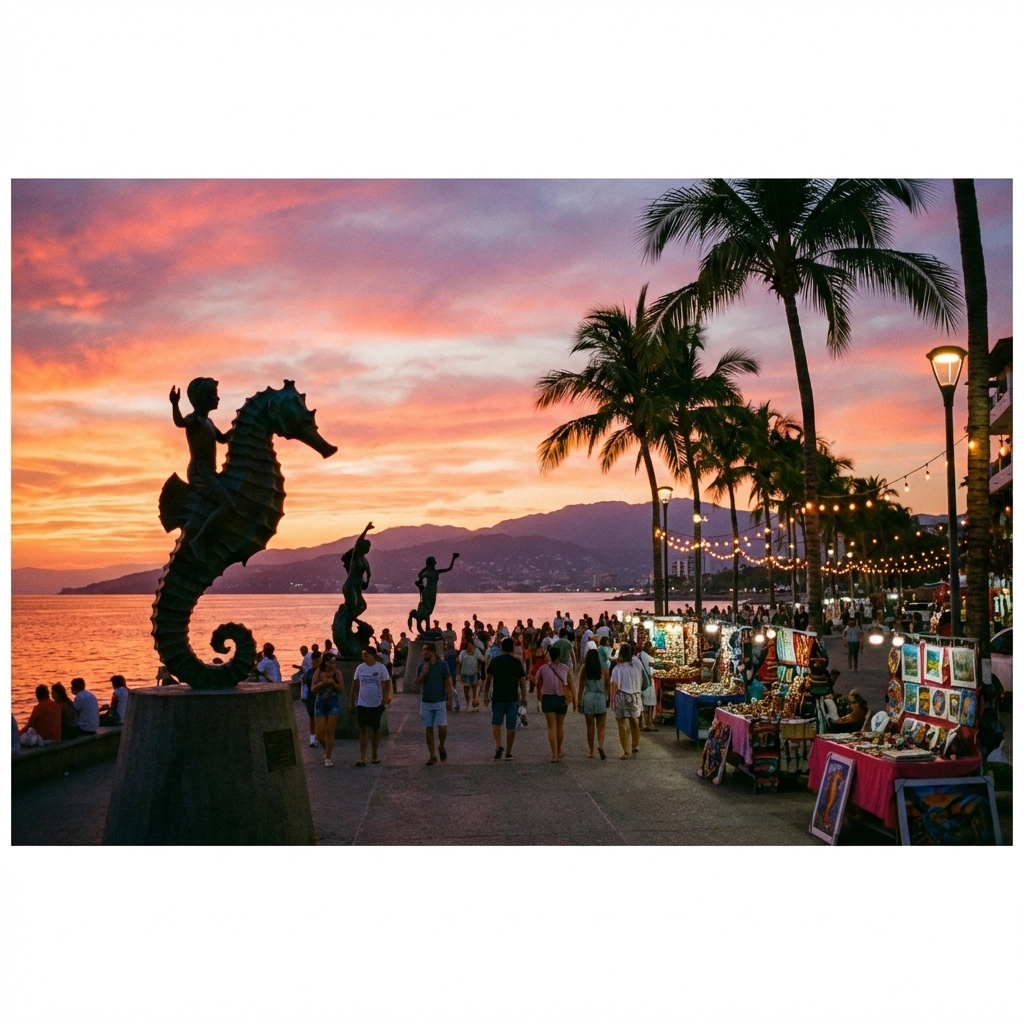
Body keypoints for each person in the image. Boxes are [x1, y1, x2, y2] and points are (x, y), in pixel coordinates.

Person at [169, 377, 235, 560]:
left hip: (210, 472)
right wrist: (175, 404)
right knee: (227, 505)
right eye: (213, 395)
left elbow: (222, 439)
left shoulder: (209, 422)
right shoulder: (195, 419)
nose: (217, 398)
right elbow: (179, 422)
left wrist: (241, 427)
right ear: (202, 398)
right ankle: (199, 540)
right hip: (199, 472)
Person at [483, 637, 528, 760]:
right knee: (511, 726)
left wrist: (485, 696)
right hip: (512, 698)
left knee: (496, 723)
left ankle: (498, 745)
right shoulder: (517, 663)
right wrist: (524, 697)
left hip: (497, 697)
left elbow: (488, 680)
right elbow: (523, 682)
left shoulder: (495, 661)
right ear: (512, 648)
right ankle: (508, 752)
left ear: (501, 648)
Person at [350, 646, 392, 767]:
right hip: (362, 703)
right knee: (363, 729)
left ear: (372, 655)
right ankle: (362, 757)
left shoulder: (381, 668)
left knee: (375, 729)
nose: (363, 657)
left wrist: (384, 700)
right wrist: (352, 702)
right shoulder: (360, 668)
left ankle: (374, 755)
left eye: (365, 655)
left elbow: (386, 684)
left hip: (376, 703)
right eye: (363, 655)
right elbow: (355, 685)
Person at [535, 645, 575, 762]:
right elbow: (571, 685)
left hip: (548, 698)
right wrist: (575, 701)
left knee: (551, 727)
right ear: (559, 655)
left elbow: (536, 680)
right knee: (560, 726)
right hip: (562, 699)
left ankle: (554, 754)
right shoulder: (565, 668)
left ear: (549, 655)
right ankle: (560, 749)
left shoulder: (543, 668)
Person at [415, 642, 452, 765]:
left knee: (442, 728)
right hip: (426, 702)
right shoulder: (421, 666)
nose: (424, 652)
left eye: (427, 650)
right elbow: (417, 683)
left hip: (440, 701)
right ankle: (432, 755)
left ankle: (441, 746)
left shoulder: (442, 665)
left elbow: (448, 682)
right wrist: (423, 674)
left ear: (433, 651)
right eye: (423, 650)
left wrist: (450, 699)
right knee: (428, 728)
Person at [610, 643, 643, 759]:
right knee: (635, 721)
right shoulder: (637, 664)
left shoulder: (617, 669)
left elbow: (614, 686)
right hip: (636, 695)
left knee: (622, 724)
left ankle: (626, 751)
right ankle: (635, 745)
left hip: (622, 695)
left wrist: (612, 701)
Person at [311, 651, 344, 767]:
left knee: (330, 731)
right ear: (325, 662)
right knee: (319, 733)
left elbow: (341, 689)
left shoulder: (337, 673)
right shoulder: (319, 672)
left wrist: (333, 684)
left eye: (334, 663)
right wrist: (323, 683)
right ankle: (327, 748)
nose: (332, 665)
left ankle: (328, 757)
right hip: (320, 702)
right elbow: (313, 688)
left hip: (333, 702)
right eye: (330, 663)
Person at [578, 647, 610, 759]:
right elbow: (607, 687)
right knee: (601, 726)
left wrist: (578, 701)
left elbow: (581, 688)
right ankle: (600, 745)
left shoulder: (585, 671)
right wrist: (608, 699)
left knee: (590, 726)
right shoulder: (604, 671)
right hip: (600, 697)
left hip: (588, 698)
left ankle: (591, 751)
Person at [301, 650, 322, 747]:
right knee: (312, 718)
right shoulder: (309, 672)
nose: (315, 664)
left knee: (321, 718)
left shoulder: (324, 672)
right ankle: (312, 737)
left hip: (321, 697)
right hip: (311, 697)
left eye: (317, 662)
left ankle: (320, 736)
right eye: (314, 662)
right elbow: (304, 682)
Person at [458, 640, 484, 711]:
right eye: (468, 646)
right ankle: (468, 703)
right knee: (466, 689)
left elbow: (482, 658)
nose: (469, 647)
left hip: (474, 672)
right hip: (465, 673)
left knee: (474, 689)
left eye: (471, 645)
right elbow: (460, 660)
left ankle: (475, 705)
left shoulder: (476, 651)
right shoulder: (463, 652)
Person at [638, 641, 658, 731]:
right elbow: (651, 672)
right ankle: (649, 723)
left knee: (641, 704)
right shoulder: (650, 658)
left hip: (639, 683)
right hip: (648, 683)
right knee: (650, 704)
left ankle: (640, 724)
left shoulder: (638, 655)